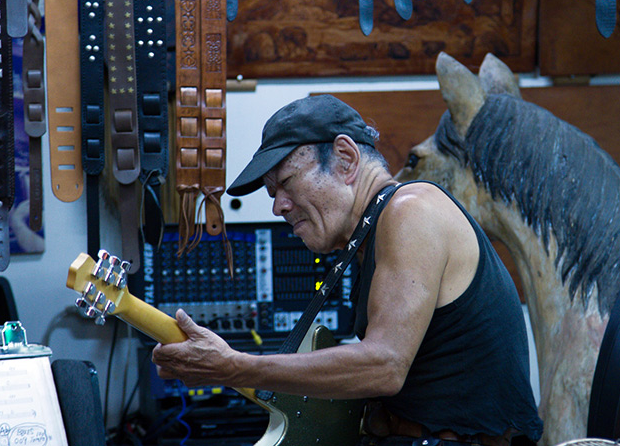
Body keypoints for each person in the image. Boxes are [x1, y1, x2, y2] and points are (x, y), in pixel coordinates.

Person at [152, 94, 543, 445]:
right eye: (273, 195)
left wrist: (235, 367)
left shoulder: (411, 210)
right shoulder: (368, 234)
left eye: (287, 183)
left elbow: (384, 365)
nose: (279, 207)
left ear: (346, 159)